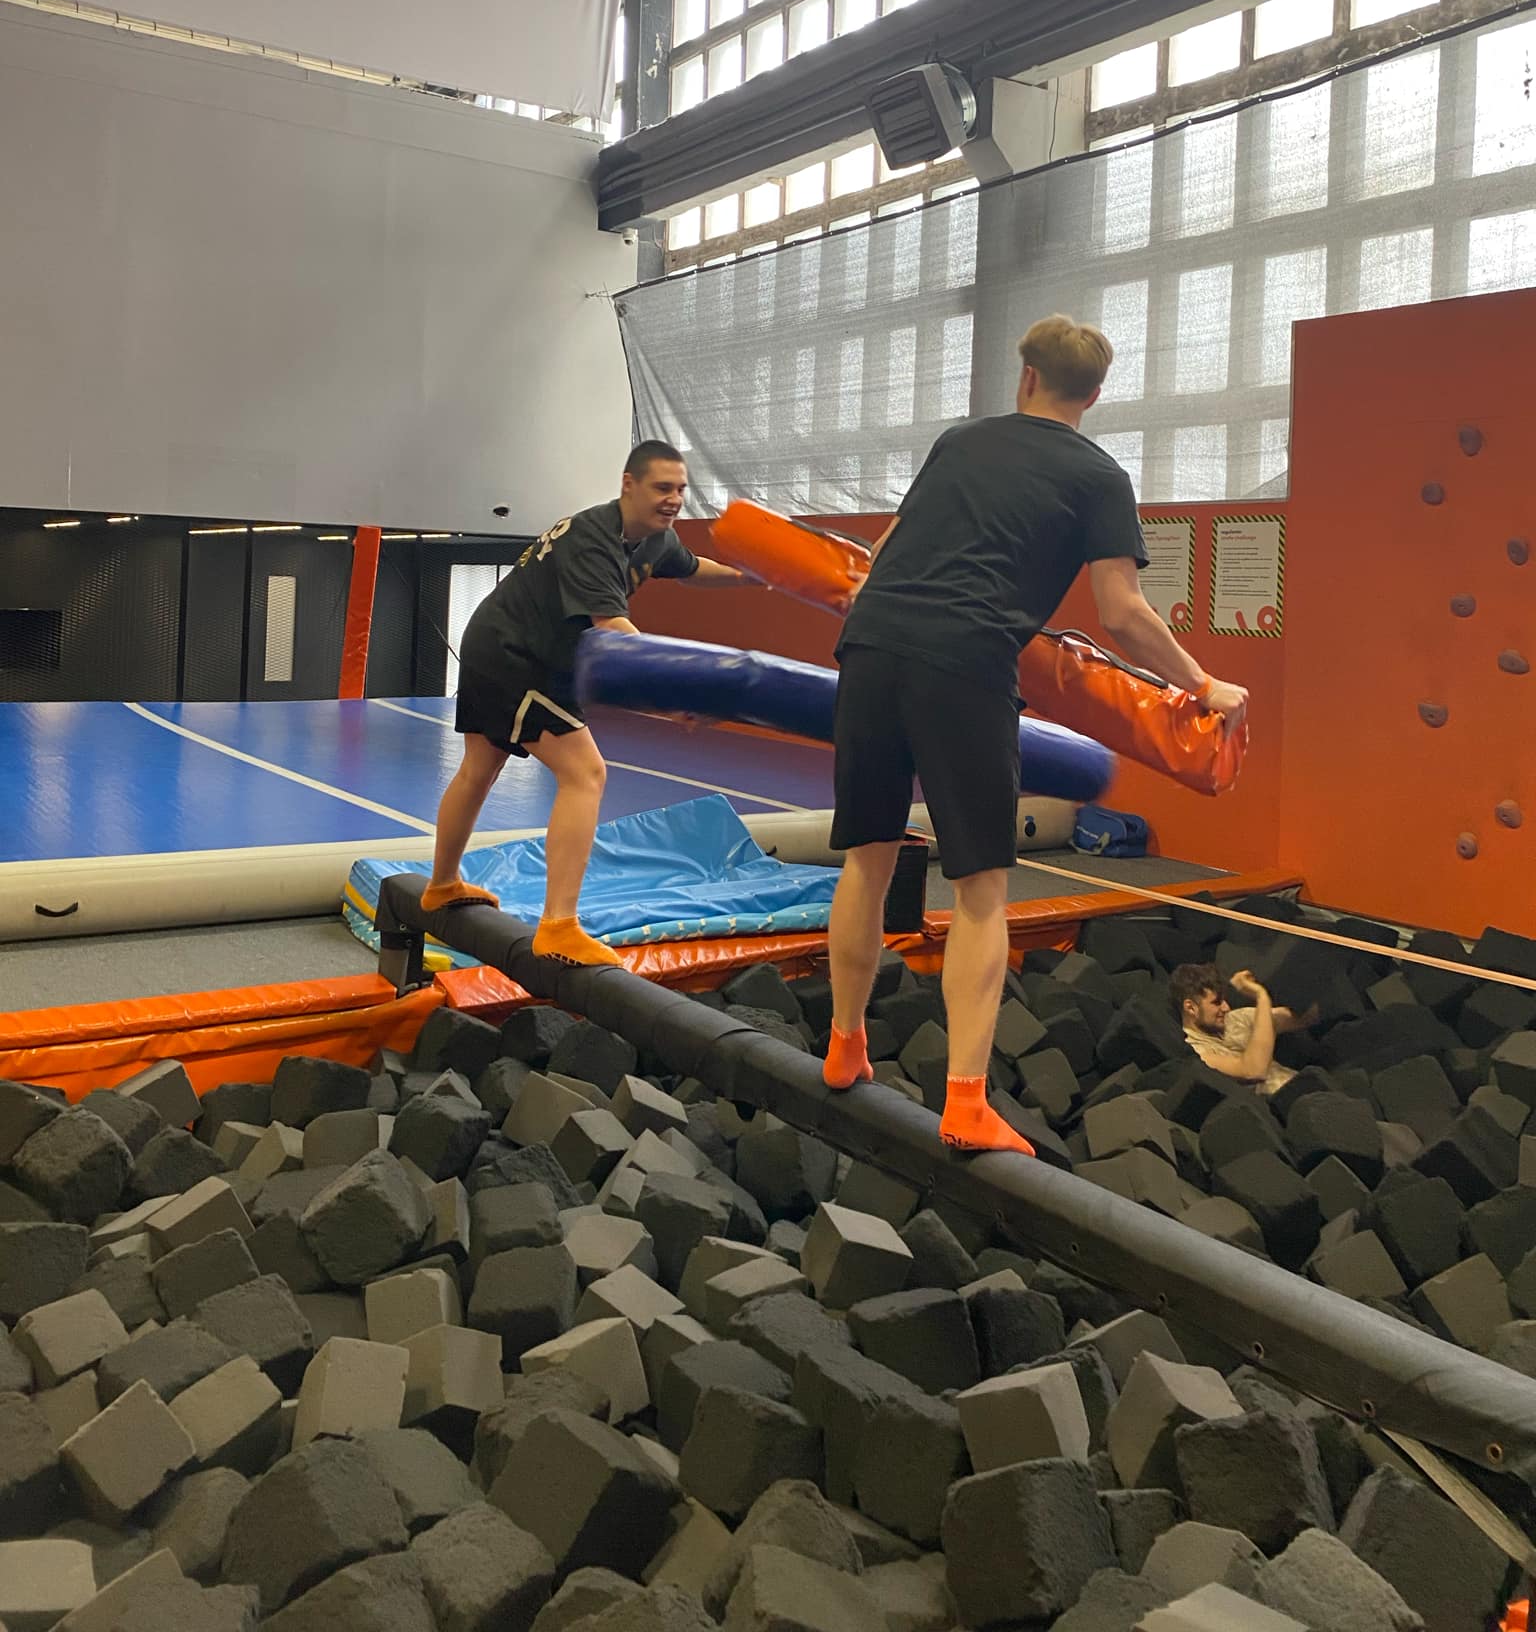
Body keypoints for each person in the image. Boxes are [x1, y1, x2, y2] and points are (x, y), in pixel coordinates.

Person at [821, 315, 1249, 1154]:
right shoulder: (1100, 476)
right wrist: (1203, 684)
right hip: (966, 662)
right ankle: (965, 1102)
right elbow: (1122, 614)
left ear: (1026, 376)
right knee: (981, 888)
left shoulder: (960, 442)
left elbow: (883, 554)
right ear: (1095, 394)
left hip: (870, 646)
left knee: (868, 857)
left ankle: (844, 1048)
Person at [424, 440, 753, 965]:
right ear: (629, 485)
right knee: (586, 774)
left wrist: (748, 577)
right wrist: (675, 691)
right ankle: (558, 926)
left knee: (479, 769)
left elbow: (692, 567)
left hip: (507, 644)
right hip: (517, 654)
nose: (674, 499)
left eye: (680, 489)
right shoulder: (592, 537)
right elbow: (613, 629)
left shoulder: (656, 539)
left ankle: (441, 885)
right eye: (662, 488)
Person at [1171, 963, 1318, 1095]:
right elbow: (1254, 1071)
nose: (1226, 1008)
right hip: (1284, 1107)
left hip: (1309, 1087)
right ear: (1191, 1007)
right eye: (1216, 1002)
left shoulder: (1235, 1018)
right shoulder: (1198, 1053)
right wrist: (1261, 996)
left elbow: (1304, 1018)